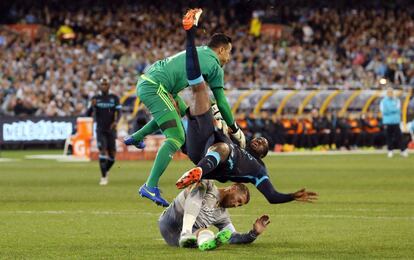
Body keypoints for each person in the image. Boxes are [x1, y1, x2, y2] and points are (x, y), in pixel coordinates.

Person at [176, 15, 317, 204]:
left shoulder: (258, 169)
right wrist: (225, 126)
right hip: (199, 145)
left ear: (263, 154)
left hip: (215, 163)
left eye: (263, 144)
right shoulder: (238, 141)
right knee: (198, 89)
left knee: (224, 147)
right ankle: (190, 34)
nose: (260, 140)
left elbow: (272, 197)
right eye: (259, 139)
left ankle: (198, 171)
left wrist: (291, 196)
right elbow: (222, 122)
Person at [124, 9, 246, 207]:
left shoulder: (200, 51)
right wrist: (235, 128)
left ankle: (137, 137)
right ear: (222, 50)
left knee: (181, 113)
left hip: (154, 81)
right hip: (157, 87)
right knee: (177, 137)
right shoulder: (214, 65)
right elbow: (221, 102)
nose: (229, 58)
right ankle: (149, 185)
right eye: (229, 52)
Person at [158, 180, 271, 250]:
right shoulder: (209, 187)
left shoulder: (223, 216)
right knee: (200, 186)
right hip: (171, 220)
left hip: (176, 239)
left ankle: (205, 242)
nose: (236, 205)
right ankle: (187, 233)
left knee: (205, 232)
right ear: (233, 188)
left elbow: (232, 237)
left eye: (239, 205)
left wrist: (253, 234)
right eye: (238, 200)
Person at [86, 76, 121, 185]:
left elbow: (119, 113)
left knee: (112, 155)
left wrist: (116, 122)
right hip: (100, 129)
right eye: (102, 84)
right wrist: (92, 106)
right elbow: (87, 114)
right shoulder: (95, 98)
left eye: (106, 84)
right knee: (102, 150)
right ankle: (103, 177)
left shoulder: (114, 98)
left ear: (109, 85)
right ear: (100, 86)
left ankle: (105, 170)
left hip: (111, 129)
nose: (104, 86)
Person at [379, 88, 408, 158]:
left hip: (395, 121)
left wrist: (389, 110)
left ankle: (403, 150)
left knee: (399, 136)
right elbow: (384, 111)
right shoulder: (383, 101)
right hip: (387, 122)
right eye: (389, 92)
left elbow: (397, 109)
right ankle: (390, 151)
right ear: (387, 93)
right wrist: (392, 110)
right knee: (389, 137)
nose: (390, 94)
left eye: (391, 92)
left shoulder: (397, 100)